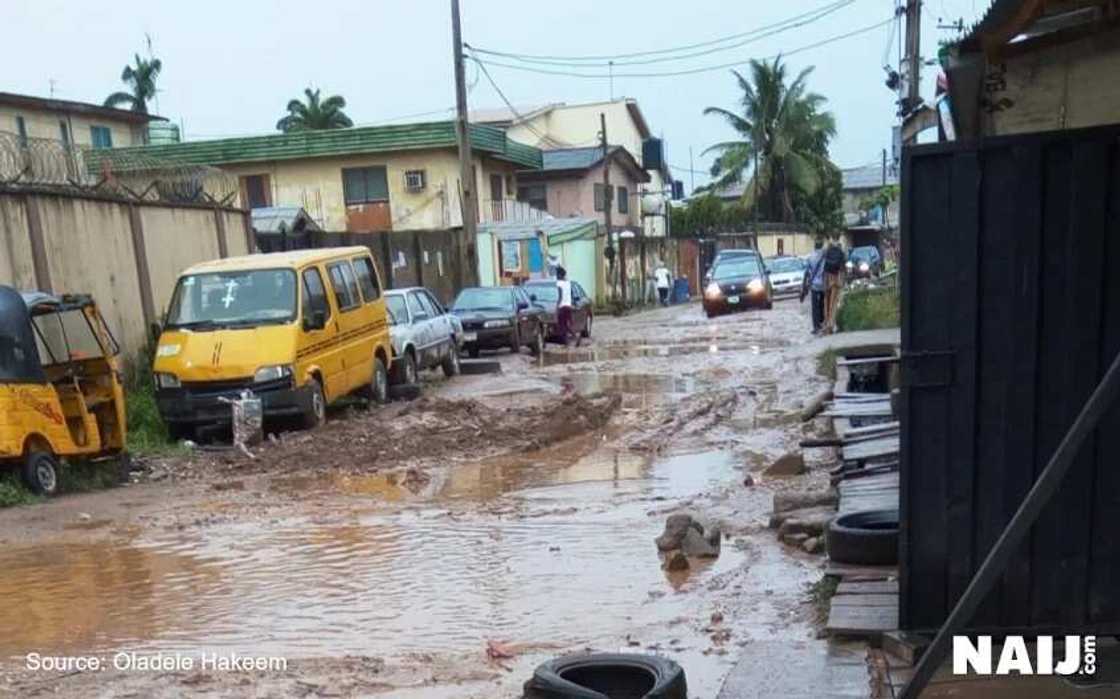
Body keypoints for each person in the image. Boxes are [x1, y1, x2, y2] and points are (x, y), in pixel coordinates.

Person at [801, 240, 826, 333]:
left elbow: (807, 273)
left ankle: (816, 327)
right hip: (824, 285)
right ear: (822, 246)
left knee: (815, 307)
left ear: (814, 246)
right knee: (823, 304)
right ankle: (823, 322)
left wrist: (804, 287)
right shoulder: (825, 256)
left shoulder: (810, 257)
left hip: (814, 285)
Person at [555, 266, 577, 347]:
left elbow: (560, 296)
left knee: (562, 325)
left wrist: (557, 307)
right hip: (568, 306)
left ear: (560, 275)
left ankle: (568, 341)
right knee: (567, 324)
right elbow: (570, 294)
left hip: (562, 307)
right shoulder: (568, 283)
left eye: (557, 274)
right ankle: (573, 337)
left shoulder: (559, 283)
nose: (556, 276)